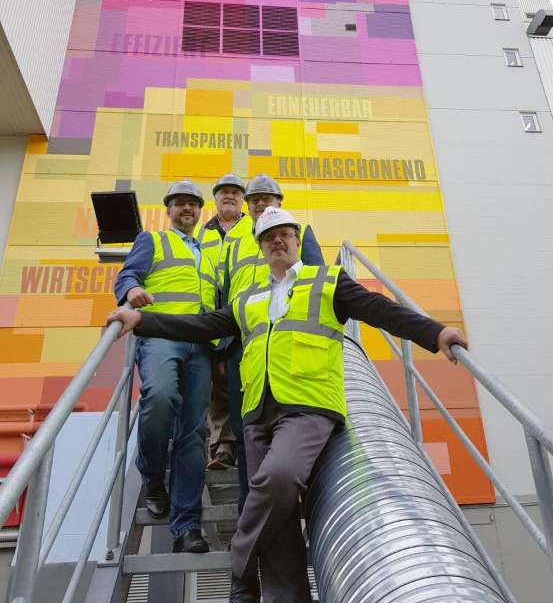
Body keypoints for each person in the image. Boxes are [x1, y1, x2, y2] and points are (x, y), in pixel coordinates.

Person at [108, 207, 468, 602]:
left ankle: (240, 575)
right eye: (268, 237)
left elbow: (380, 309)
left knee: (278, 478)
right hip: (257, 413)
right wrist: (142, 321)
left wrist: (436, 333)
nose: (277, 241)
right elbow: (202, 326)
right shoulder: (250, 297)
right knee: (278, 524)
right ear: (261, 247)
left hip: (308, 407)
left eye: (284, 234)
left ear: (297, 240)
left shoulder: (327, 281)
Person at [113, 179, 212, 554]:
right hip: (159, 336)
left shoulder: (210, 251)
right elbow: (126, 274)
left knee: (193, 434)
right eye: (180, 203)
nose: (187, 209)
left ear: (200, 211)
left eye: (193, 204)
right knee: (159, 396)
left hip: (201, 345)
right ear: (169, 209)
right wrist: (130, 291)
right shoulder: (152, 240)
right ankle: (153, 475)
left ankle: (187, 527)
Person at [220, 174, 324, 507]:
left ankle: (298, 500)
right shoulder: (234, 242)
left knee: (290, 422)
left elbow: (317, 279)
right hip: (242, 341)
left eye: (267, 198)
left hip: (287, 341)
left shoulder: (299, 231)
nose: (260, 204)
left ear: (279, 202)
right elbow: (224, 291)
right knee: (245, 426)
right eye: (254, 200)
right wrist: (219, 348)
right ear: (247, 206)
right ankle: (249, 506)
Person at [197, 173, 252, 471]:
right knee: (217, 386)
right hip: (212, 316)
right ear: (215, 199)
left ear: (242, 199)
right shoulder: (203, 233)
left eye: (235, 192)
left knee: (242, 381)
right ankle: (222, 448)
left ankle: (248, 444)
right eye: (223, 193)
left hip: (246, 315)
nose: (229, 196)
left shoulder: (253, 227)